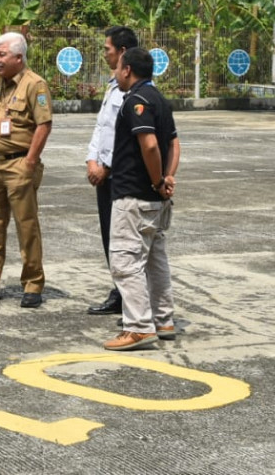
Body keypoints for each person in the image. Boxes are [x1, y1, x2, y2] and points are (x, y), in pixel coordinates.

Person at [0, 31, 53, 308]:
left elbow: (44, 125)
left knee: (26, 226)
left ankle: (32, 284)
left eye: (1, 55)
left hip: (19, 164)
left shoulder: (35, 85)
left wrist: (30, 161)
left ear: (18, 57)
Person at [104, 47, 181, 351]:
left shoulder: (135, 100)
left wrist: (157, 179)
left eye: (118, 67)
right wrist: (167, 179)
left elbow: (150, 145)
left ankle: (138, 327)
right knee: (155, 262)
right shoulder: (160, 99)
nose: (116, 73)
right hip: (155, 200)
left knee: (125, 262)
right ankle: (164, 321)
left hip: (134, 196)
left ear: (127, 70)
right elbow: (174, 144)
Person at [84, 25, 138, 315]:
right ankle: (119, 291)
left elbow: (125, 137)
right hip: (103, 173)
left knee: (124, 241)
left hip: (119, 177)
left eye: (108, 49)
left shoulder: (134, 92)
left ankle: (129, 297)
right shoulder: (112, 85)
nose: (104, 53)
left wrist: (106, 167)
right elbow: (101, 128)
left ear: (123, 52)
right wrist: (91, 160)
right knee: (109, 236)